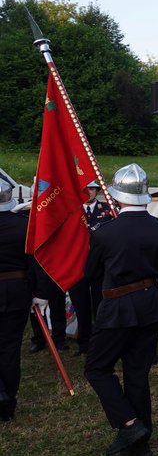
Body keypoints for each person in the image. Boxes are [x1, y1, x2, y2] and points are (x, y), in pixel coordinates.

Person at [83, 164, 158, 456]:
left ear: (117, 196)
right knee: (137, 375)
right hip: (152, 307)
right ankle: (141, 442)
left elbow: (91, 274)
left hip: (117, 310)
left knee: (97, 368)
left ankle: (129, 426)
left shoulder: (105, 233)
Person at [0, 178, 33, 421]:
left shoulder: (24, 225)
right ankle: (7, 401)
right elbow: (34, 263)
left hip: (16, 288)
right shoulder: (24, 226)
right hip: (17, 290)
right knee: (10, 348)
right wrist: (38, 292)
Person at [71, 179, 115, 355]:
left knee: (101, 306)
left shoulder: (107, 210)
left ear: (97, 191)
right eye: (84, 189)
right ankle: (83, 343)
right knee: (81, 306)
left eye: (91, 189)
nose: (88, 192)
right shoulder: (72, 210)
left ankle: (101, 342)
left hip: (100, 266)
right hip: (77, 265)